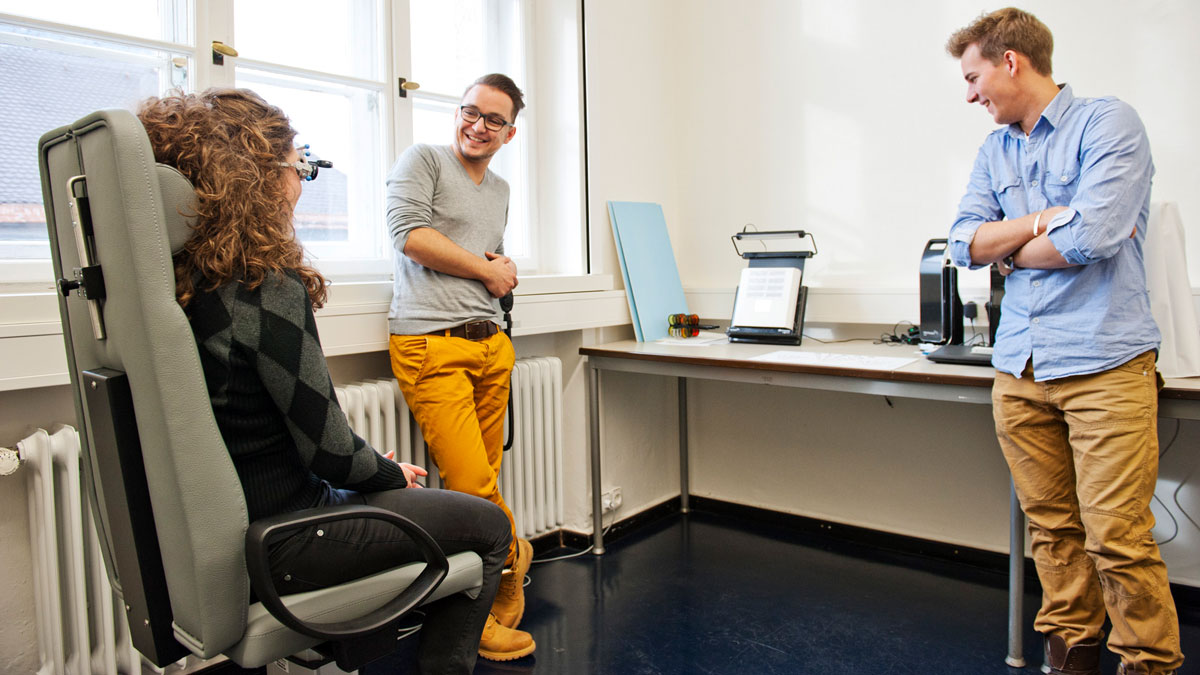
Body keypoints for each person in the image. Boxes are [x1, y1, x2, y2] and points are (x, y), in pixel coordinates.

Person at [137, 88, 533, 672]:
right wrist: (391, 474)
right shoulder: (262, 287)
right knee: (491, 525)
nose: (301, 184)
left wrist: (366, 471)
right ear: (259, 179)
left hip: (230, 529)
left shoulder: (182, 284)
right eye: (299, 168)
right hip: (289, 536)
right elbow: (330, 454)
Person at [946, 9, 1182, 675]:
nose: (970, 95)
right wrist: (1042, 221)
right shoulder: (995, 150)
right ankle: (1072, 652)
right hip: (1018, 367)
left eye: (973, 78)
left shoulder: (1108, 124)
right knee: (1052, 530)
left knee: (1117, 536)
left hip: (1104, 363)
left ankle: (1148, 661)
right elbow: (962, 241)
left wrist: (1007, 250)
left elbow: (1094, 236)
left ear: (1011, 61)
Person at [385, 73, 535, 656]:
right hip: (431, 344)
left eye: (494, 119)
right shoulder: (423, 160)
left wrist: (504, 268)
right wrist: (487, 270)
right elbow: (409, 236)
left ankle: (489, 589)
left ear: (510, 133)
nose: (478, 125)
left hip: (491, 343)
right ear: (458, 112)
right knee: (472, 487)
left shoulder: (499, 188)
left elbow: (488, 257)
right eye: (470, 111)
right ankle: (505, 576)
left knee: (483, 481)